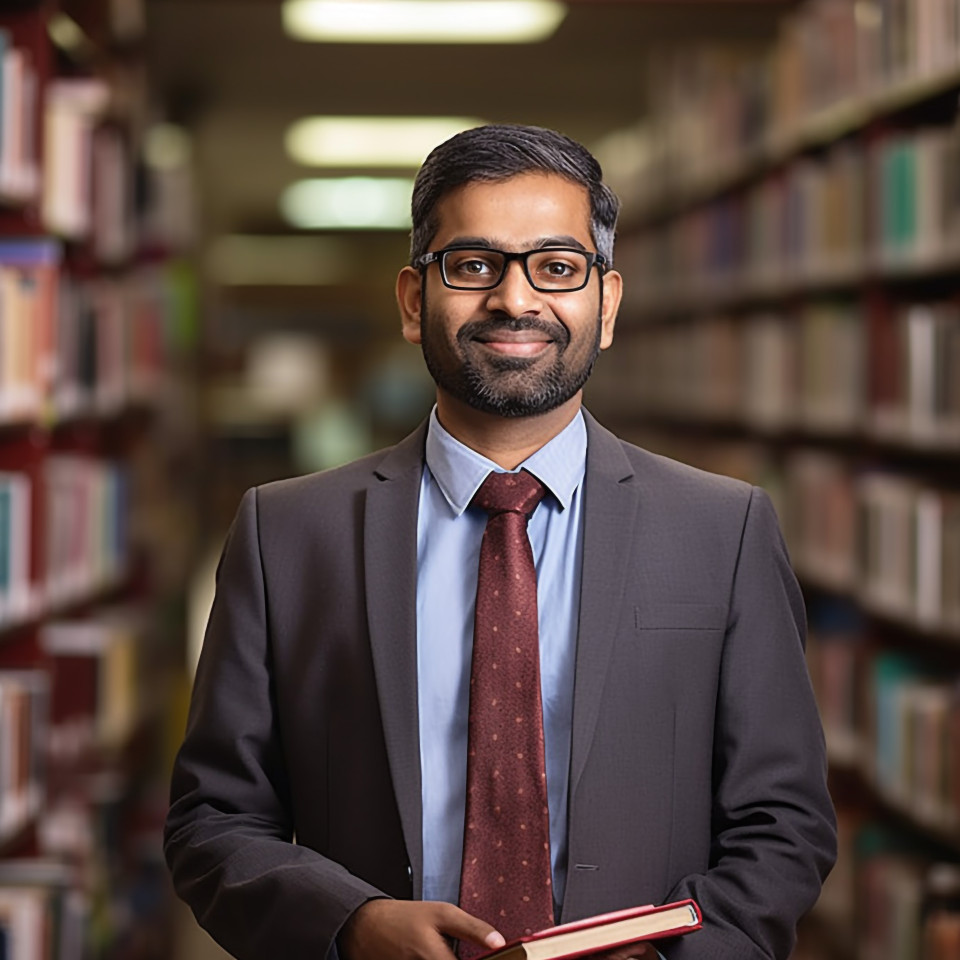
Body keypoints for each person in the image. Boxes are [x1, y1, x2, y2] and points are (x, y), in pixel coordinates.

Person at [164, 124, 836, 960]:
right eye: (474, 265)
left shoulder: (722, 530)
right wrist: (350, 923)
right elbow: (213, 819)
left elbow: (785, 822)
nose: (516, 300)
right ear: (414, 301)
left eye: (556, 267)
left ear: (608, 303)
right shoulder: (288, 533)